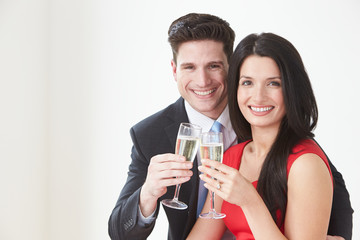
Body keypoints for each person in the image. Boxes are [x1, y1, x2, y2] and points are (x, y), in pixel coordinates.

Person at [108, 13, 353, 240]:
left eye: (213, 66)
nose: (202, 80)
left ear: (229, 69)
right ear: (174, 70)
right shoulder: (222, 155)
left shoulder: (290, 146)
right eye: (190, 67)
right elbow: (120, 232)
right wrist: (148, 193)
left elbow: (333, 192)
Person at [187, 32, 352, 240]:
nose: (258, 97)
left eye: (273, 83)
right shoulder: (232, 157)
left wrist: (249, 200)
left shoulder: (305, 164)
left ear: (292, 90)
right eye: (247, 83)